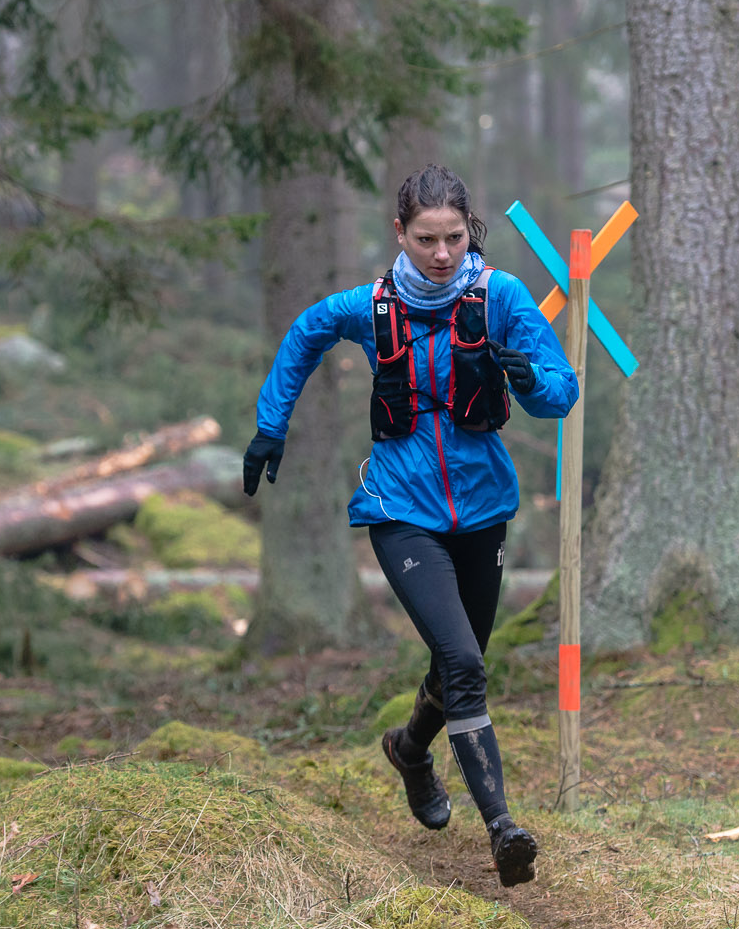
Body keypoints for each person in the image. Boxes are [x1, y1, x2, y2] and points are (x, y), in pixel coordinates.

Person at [243, 165, 579, 887]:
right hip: (399, 511)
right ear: (400, 233)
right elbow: (305, 332)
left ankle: (409, 749)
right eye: (426, 238)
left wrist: (527, 382)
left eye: (454, 237)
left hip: (484, 510)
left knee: (457, 663)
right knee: (464, 664)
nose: (442, 253)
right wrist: (272, 424)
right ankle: (503, 828)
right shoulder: (371, 306)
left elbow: (562, 392)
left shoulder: (503, 299)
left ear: (470, 231)